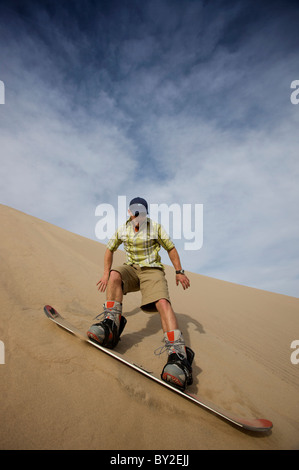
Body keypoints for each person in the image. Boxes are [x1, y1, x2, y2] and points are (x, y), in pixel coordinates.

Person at [87, 197, 194, 390]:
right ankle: (111, 326)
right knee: (114, 276)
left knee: (162, 303)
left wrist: (179, 271)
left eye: (141, 212)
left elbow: (171, 248)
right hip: (132, 269)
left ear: (146, 213)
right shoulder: (123, 229)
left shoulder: (155, 228)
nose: (137, 215)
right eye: (134, 211)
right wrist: (104, 274)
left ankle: (179, 357)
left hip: (152, 270)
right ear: (129, 212)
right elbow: (109, 249)